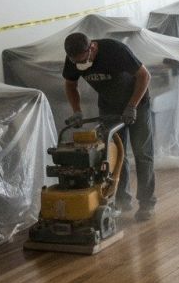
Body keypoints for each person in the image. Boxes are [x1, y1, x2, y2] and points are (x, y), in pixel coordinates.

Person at [62, 33, 156, 221]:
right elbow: (71, 85)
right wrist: (77, 111)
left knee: (142, 153)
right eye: (76, 61)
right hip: (109, 107)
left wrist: (132, 106)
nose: (80, 64)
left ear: (92, 48)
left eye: (83, 60)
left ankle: (146, 203)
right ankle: (122, 200)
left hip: (137, 103)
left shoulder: (115, 50)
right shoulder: (73, 58)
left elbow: (144, 76)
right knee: (115, 154)